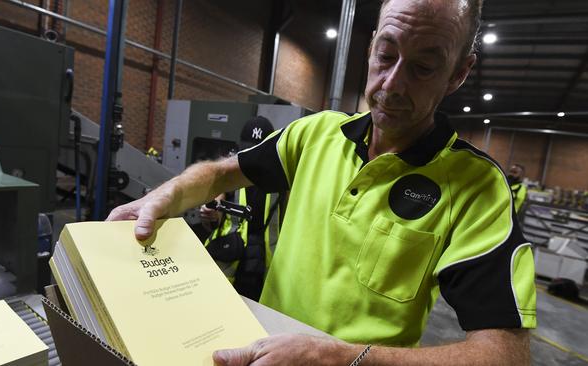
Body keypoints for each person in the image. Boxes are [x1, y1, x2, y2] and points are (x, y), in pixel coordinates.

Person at [108, 0, 536, 364]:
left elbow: (504, 354)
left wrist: (338, 357)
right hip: (259, 352)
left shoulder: (476, 187)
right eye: (386, 56)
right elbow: (224, 170)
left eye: (424, 67)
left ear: (459, 74)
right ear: (369, 46)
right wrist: (164, 196)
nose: (393, 84)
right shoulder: (316, 134)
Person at [200, 116, 282, 301]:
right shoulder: (226, 174)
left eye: (258, 150)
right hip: (230, 262)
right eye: (248, 149)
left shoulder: (280, 180)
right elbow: (212, 218)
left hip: (265, 268)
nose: (252, 155)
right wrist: (210, 214)